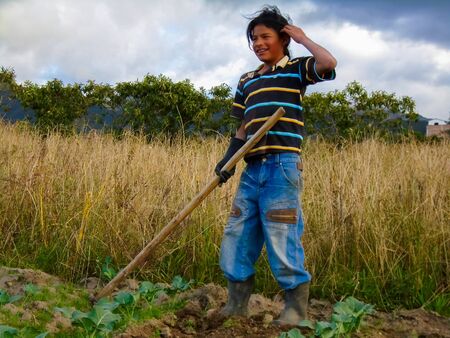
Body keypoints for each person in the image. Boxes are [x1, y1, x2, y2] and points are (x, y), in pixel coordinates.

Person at [214, 6, 337, 326]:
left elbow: (328, 63)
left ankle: (295, 310)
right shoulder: (247, 80)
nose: (257, 43)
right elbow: (242, 128)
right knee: (236, 235)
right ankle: (236, 305)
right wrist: (228, 159)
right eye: (253, 38)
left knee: (282, 235)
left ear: (282, 38)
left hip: (282, 168)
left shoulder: (295, 70)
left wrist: (303, 37)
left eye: (265, 36)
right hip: (251, 169)